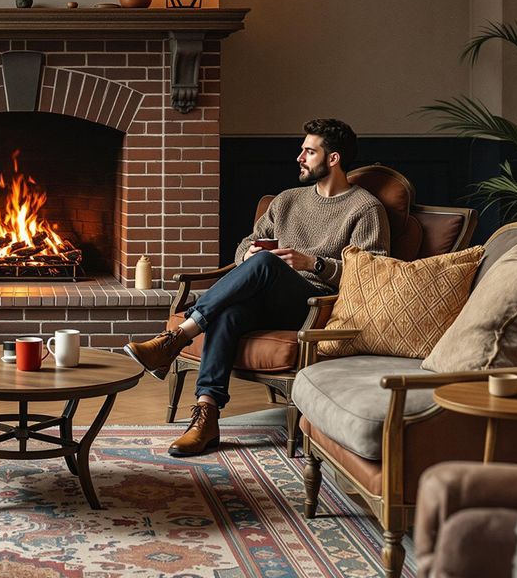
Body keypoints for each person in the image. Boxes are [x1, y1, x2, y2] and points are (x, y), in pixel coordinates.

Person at [122, 118, 390, 457]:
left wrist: (313, 264)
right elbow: (246, 245)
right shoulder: (287, 200)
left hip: (314, 304)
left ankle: (176, 338)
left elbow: (373, 274)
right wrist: (246, 252)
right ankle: (207, 415)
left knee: (265, 264)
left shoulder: (365, 208)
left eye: (309, 151)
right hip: (265, 295)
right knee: (229, 313)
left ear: (333, 159)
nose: (299, 158)